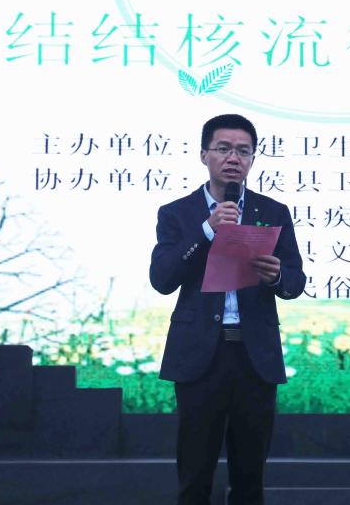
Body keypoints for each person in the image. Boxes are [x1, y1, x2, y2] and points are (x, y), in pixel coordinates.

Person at [150, 113, 306, 505]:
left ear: (253, 158)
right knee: (195, 473)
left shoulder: (273, 212)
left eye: (243, 151)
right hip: (201, 355)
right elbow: (162, 278)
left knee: (250, 476)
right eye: (223, 148)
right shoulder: (176, 213)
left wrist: (276, 276)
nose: (233, 158)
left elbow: (295, 281)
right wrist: (207, 230)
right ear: (204, 154)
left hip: (255, 356)